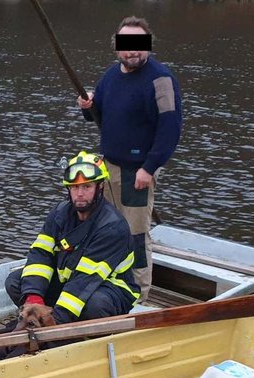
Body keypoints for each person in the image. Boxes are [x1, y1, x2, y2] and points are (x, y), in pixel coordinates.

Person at [78, 16, 182, 302]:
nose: (132, 51)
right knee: (106, 227)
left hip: (137, 172)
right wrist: (87, 105)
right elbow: (98, 112)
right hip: (107, 167)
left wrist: (149, 168)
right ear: (116, 47)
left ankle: (139, 293)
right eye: (127, 45)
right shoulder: (111, 75)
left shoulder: (161, 80)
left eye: (139, 45)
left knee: (135, 233)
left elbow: (170, 129)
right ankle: (111, 281)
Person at [5, 152, 139, 328]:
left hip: (109, 287)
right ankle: (44, 316)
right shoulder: (59, 214)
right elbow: (40, 255)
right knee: (15, 282)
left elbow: (85, 279)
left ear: (100, 187)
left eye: (87, 187)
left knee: (95, 305)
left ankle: (84, 334)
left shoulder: (112, 227)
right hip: (70, 281)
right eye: (75, 188)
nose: (80, 194)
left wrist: (54, 323)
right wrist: (34, 298)